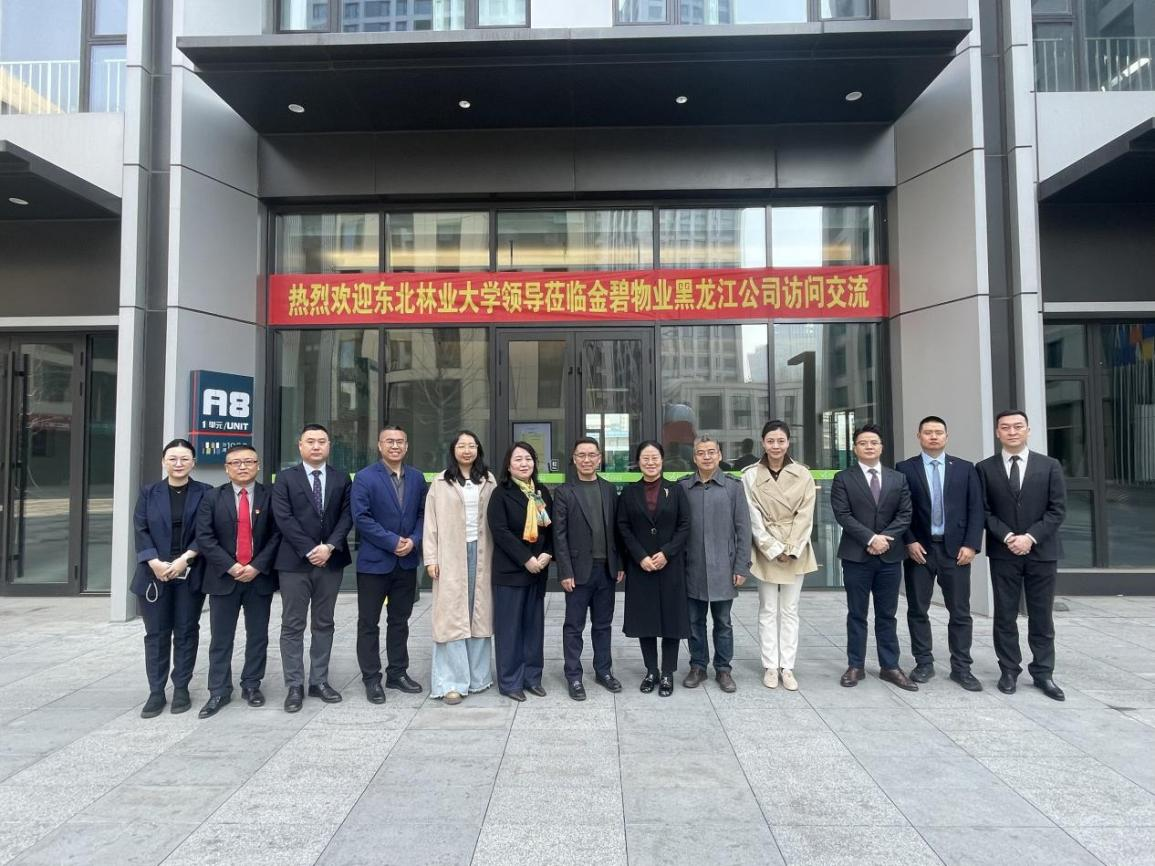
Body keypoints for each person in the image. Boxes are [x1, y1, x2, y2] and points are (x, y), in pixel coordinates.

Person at [976, 410, 1067, 701]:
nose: (1012, 432)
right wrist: (1008, 537)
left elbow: (1057, 509)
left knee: (1041, 616)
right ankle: (1009, 670)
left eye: (1018, 426)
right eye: (1005, 427)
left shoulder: (1049, 466)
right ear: (997, 432)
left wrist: (1030, 537)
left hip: (1042, 551)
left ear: (1028, 430)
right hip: (1003, 552)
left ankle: (1043, 672)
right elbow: (983, 510)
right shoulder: (985, 468)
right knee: (1005, 615)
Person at [896, 415, 985, 692]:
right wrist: (909, 541)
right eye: (928, 432)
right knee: (917, 609)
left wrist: (971, 545)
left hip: (956, 551)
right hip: (919, 550)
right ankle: (924, 663)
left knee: (960, 612)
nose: (933, 436)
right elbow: (900, 509)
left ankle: (962, 668)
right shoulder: (905, 469)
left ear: (947, 436)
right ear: (919, 436)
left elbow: (976, 509)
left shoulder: (965, 469)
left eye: (938, 432)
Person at [195, 444, 281, 719]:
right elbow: (204, 537)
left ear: (258, 465)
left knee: (258, 636)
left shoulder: (271, 496)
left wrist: (256, 566)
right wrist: (230, 566)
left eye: (248, 461)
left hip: (258, 578)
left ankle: (252, 684)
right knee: (221, 638)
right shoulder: (211, 497)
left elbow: (278, 535)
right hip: (223, 578)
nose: (242, 467)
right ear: (226, 468)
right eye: (235, 463)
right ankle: (218, 690)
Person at [271, 423, 353, 712]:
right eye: (310, 441)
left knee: (324, 622)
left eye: (322, 441)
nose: (316, 446)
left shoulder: (341, 478)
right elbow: (283, 518)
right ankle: (294, 684)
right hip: (294, 563)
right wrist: (309, 549)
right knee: (292, 624)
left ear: (329, 446)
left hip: (330, 562)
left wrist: (328, 547)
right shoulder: (285, 478)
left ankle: (319, 680)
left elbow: (347, 516)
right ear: (300, 446)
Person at [829, 424, 916, 691]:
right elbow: (843, 515)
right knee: (857, 613)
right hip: (856, 556)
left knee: (887, 614)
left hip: (890, 556)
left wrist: (884, 538)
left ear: (881, 447)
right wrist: (870, 538)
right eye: (863, 443)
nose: (869, 446)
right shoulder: (843, 478)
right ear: (854, 448)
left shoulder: (897, 478)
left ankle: (890, 666)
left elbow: (905, 514)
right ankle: (855, 665)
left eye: (874, 442)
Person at [131, 439, 212, 718]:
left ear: (193, 463)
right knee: (156, 633)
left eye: (184, 459)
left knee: (187, 631)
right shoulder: (149, 492)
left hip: (189, 570)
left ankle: (181, 688)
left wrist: (184, 559)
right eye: (173, 459)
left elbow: (206, 531)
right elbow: (141, 529)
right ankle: (156, 691)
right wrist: (153, 561)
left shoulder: (205, 493)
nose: (179, 464)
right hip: (154, 573)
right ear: (164, 462)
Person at [351, 425, 428, 703]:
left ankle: (397, 672)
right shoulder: (364, 477)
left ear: (407, 446)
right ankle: (371, 678)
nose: (395, 446)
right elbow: (361, 517)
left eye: (400, 441)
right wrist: (393, 541)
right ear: (379, 445)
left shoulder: (417, 477)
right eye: (389, 441)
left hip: (406, 562)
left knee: (400, 621)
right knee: (368, 623)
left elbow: (423, 514)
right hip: (375, 563)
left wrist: (414, 540)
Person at [742, 421, 818, 691]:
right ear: (763, 442)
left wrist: (792, 548)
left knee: (790, 609)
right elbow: (752, 516)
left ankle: (787, 666)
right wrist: (773, 548)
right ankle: (770, 666)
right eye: (771, 441)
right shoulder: (750, 475)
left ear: (788, 442)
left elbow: (806, 515)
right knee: (767, 609)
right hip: (766, 548)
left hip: (796, 548)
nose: (776, 446)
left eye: (781, 441)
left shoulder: (803, 474)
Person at [424, 431, 497, 705]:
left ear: (478, 450)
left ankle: (478, 677)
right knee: (451, 617)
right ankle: (450, 682)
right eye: (461, 446)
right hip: (450, 554)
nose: (467, 450)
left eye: (472, 446)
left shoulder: (489, 480)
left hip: (483, 552)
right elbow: (430, 523)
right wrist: (431, 558)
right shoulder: (441, 482)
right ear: (453, 450)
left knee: (479, 614)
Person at [617, 440, 691, 697]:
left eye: (655, 458)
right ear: (638, 462)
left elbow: (685, 525)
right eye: (645, 458)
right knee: (645, 620)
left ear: (662, 460)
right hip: (642, 567)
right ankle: (651, 671)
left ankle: (668, 672)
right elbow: (623, 527)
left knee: (671, 620)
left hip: (670, 565)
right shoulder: (629, 493)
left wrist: (667, 553)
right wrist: (640, 556)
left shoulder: (676, 490)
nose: (650, 462)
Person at [553, 437, 624, 701]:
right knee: (574, 626)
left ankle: (603, 671)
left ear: (599, 458)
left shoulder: (609, 489)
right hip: (577, 571)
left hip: (606, 569)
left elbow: (617, 530)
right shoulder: (564, 492)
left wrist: (620, 564)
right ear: (574, 459)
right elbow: (559, 535)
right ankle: (573, 675)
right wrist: (564, 571)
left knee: (603, 625)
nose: (586, 459)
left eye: (591, 455)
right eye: (581, 455)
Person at [679, 436, 752, 693]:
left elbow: (743, 529)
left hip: (724, 566)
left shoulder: (733, 487)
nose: (707, 457)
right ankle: (698, 665)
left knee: (723, 622)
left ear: (719, 455)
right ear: (694, 457)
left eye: (711, 452)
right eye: (701, 453)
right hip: (692, 566)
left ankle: (723, 669)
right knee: (694, 621)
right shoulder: (684, 487)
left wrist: (741, 566)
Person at [488, 441, 553, 702]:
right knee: (509, 629)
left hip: (538, 571)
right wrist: (526, 558)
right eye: (518, 459)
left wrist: (548, 553)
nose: (524, 464)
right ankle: (510, 681)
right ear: (508, 465)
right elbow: (500, 531)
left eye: (528, 459)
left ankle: (532, 677)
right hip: (511, 571)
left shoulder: (541, 492)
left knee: (533, 628)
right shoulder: (500, 494)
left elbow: (552, 528)